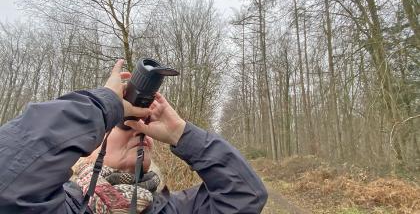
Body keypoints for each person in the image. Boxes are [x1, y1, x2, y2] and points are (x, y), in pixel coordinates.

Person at [0, 60, 268, 214]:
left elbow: (244, 196)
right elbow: (9, 178)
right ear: (89, 152)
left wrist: (180, 133)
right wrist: (103, 106)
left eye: (145, 131)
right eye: (125, 127)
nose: (142, 134)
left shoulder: (170, 208)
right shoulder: (64, 206)